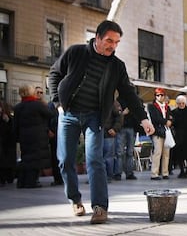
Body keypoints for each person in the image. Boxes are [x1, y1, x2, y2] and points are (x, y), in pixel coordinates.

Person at [48, 20, 154, 224]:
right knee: (65, 159)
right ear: (97, 37)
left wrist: (143, 118)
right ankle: (75, 199)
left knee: (95, 160)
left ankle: (100, 207)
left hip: (94, 117)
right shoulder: (76, 52)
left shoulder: (117, 66)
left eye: (117, 42)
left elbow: (129, 94)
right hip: (68, 114)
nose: (112, 46)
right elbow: (54, 74)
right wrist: (57, 104)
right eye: (109, 40)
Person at [14, 84, 53, 188]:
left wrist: (17, 137)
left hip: (24, 137)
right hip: (37, 137)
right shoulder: (37, 105)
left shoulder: (18, 107)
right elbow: (50, 114)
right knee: (35, 160)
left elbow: (15, 124)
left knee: (25, 158)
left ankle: (21, 181)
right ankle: (31, 182)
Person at [147, 88, 173, 180]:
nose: (160, 97)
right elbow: (155, 118)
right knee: (157, 152)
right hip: (157, 131)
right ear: (155, 96)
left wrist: (170, 121)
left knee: (166, 153)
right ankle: (154, 173)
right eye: (158, 95)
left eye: (162, 95)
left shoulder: (167, 107)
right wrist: (166, 121)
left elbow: (171, 116)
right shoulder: (152, 106)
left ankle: (165, 172)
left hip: (166, 131)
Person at [113, 96, 141, 181]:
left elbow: (138, 113)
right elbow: (114, 113)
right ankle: (118, 173)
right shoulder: (119, 101)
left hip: (131, 128)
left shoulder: (134, 100)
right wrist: (122, 114)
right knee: (120, 152)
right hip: (121, 128)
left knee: (129, 152)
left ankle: (129, 173)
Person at [103, 101, 123, 183]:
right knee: (96, 156)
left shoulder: (113, 103)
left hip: (108, 133)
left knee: (108, 156)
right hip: (97, 133)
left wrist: (115, 128)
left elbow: (119, 116)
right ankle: (96, 176)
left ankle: (108, 176)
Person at [47, 100, 63, 186]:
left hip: (63, 133)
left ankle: (64, 177)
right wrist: (49, 130)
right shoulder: (50, 105)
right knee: (55, 156)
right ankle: (58, 178)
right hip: (55, 134)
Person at [0, 100, 16, 186]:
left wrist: (7, 121)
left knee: (6, 163)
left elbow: (11, 132)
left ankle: (7, 177)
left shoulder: (9, 119)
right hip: (5, 146)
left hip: (7, 146)